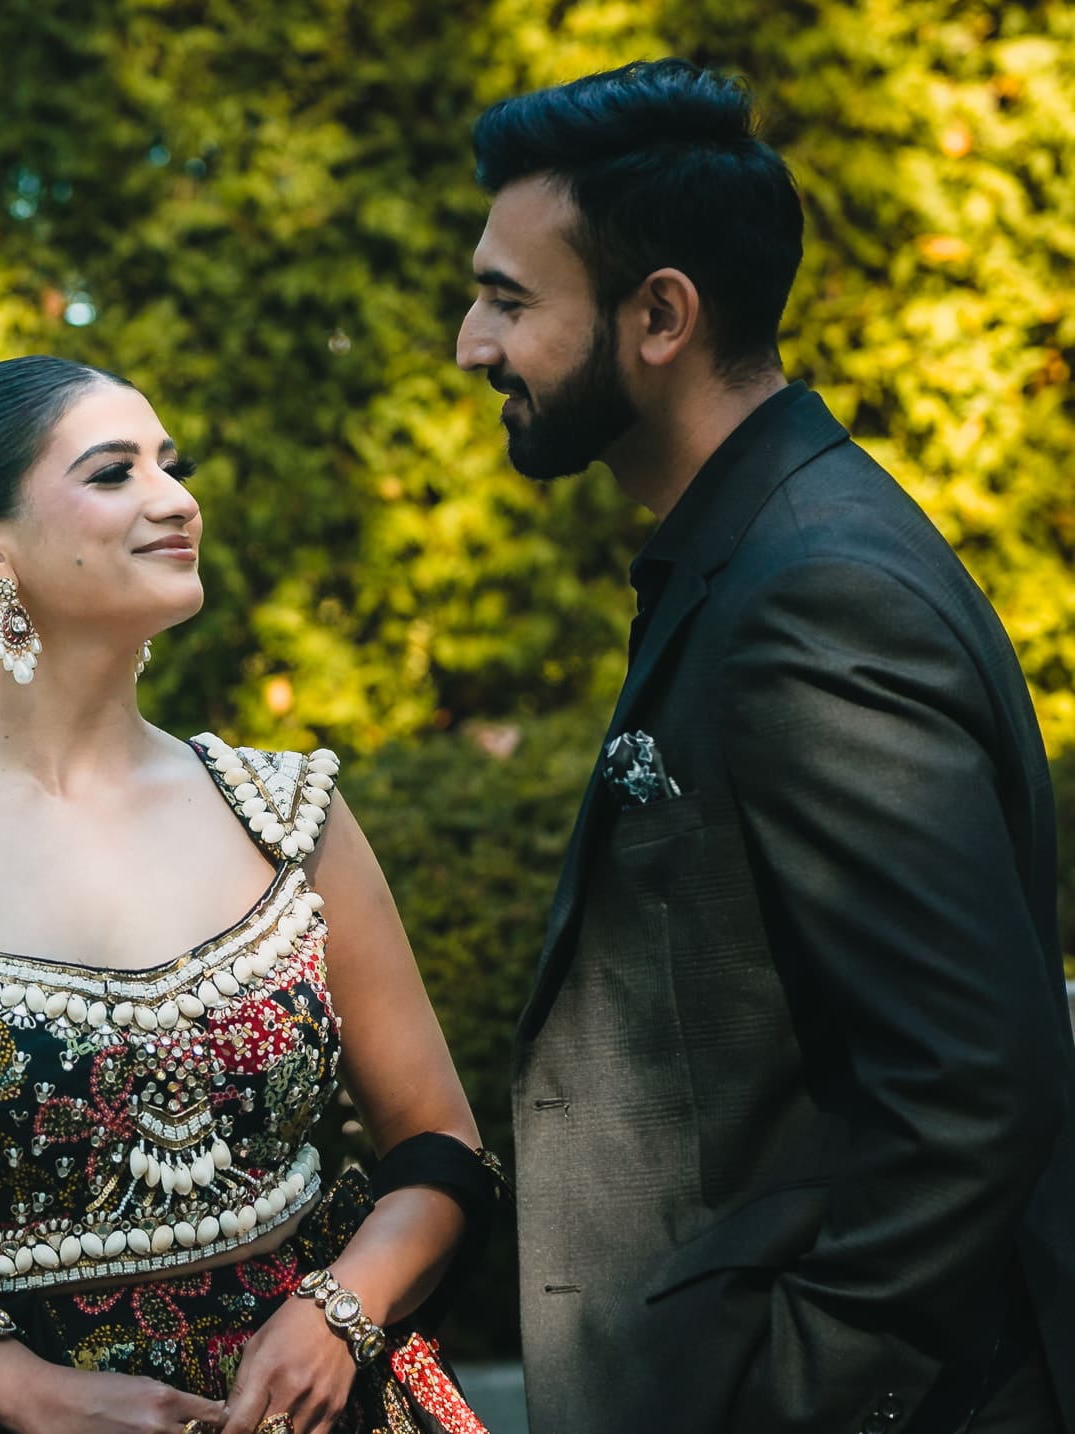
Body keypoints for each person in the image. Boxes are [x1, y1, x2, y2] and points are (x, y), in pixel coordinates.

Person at [457, 59, 1075, 1434]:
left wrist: (798, 1397)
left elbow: (976, 1084)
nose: (469, 343)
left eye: (506, 299)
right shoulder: (751, 552)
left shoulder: (812, 591)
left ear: (658, 314)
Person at [0, 355, 502, 1434]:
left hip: (335, 1411)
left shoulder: (287, 814)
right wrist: (15, 1385)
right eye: (112, 473)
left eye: (169, 466)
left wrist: (340, 1311)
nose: (175, 499)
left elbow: (440, 1150)